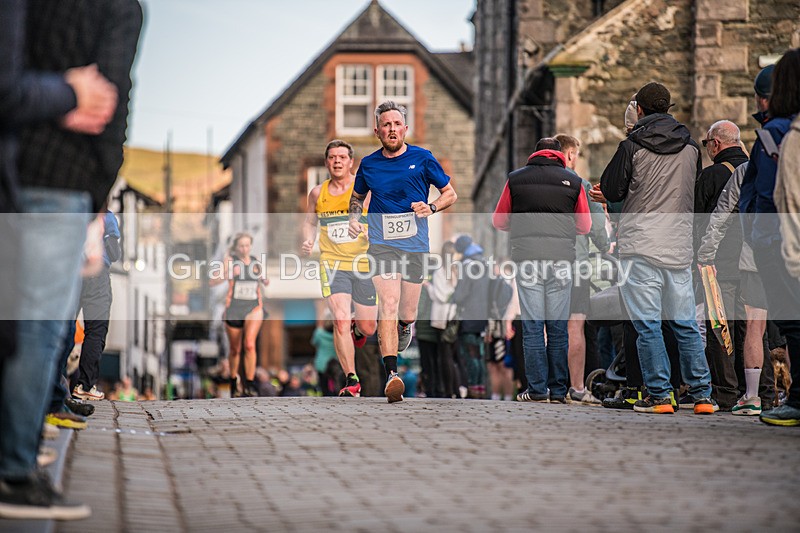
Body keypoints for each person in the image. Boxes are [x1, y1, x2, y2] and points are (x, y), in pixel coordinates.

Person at [0, 0, 139, 521]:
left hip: (13, 160)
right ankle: (15, 466)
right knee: (41, 326)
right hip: (61, 178)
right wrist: (100, 195)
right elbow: (114, 102)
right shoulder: (118, 8)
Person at [600, 82, 716, 415]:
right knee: (684, 323)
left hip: (640, 245)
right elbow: (692, 196)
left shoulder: (633, 144)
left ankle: (660, 395)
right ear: (668, 108)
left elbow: (612, 188)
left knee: (647, 324)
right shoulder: (692, 148)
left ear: (640, 110)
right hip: (678, 244)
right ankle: (703, 394)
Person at [348, 101, 457, 403]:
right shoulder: (369, 164)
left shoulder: (423, 159)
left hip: (415, 246)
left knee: (407, 313)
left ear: (405, 129)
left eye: (397, 124)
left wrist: (431, 206)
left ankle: (404, 328)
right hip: (381, 245)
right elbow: (356, 199)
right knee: (389, 302)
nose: (392, 129)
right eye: (386, 124)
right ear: (377, 131)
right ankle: (392, 375)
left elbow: (450, 194)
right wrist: (355, 219)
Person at [493, 137, 591, 404]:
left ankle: (537, 390)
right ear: (559, 155)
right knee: (558, 327)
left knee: (534, 326)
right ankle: (559, 390)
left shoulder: (515, 179)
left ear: (535, 154)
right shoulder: (574, 181)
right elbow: (584, 226)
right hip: (561, 261)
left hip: (527, 260)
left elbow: (499, 221)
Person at [740, 49, 800, 426]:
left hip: (778, 239)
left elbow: (765, 193)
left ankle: (797, 399)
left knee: (790, 323)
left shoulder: (776, 132)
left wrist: (757, 234)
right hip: (779, 235)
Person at [302, 139, 377, 397]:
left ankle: (359, 328)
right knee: (340, 319)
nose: (336, 161)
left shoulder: (363, 190)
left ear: (350, 162)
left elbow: (377, 222)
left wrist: (369, 234)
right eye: (332, 157)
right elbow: (309, 222)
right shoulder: (316, 193)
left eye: (341, 157)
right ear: (326, 163)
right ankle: (351, 379)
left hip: (363, 263)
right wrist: (308, 239)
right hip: (332, 264)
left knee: (369, 328)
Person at [694, 121, 749, 410]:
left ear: (715, 144)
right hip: (752, 262)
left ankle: (726, 393)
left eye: (707, 144)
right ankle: (754, 391)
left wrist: (700, 257)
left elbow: (700, 221)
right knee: (750, 330)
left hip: (719, 264)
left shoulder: (712, 174)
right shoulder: (754, 170)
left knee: (718, 327)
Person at [554, 133, 609, 405]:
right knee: (575, 326)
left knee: (550, 327)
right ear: (571, 155)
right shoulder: (581, 184)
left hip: (544, 264)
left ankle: (551, 386)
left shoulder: (537, 182)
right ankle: (576, 387)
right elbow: (597, 225)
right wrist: (604, 243)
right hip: (577, 263)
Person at [210, 233, 268, 397]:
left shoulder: (256, 261)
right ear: (236, 247)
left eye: (247, 245)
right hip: (234, 307)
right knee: (235, 349)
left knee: (249, 344)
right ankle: (234, 380)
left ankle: (249, 384)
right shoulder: (230, 261)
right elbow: (215, 280)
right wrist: (225, 274)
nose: (244, 249)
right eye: (241, 245)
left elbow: (263, 280)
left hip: (254, 306)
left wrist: (264, 280)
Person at [72, 209, 121, 401]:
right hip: (96, 274)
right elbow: (114, 253)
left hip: (71, 272)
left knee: (64, 325)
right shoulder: (106, 216)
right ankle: (85, 384)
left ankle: (54, 381)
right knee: (96, 330)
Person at [451, 235, 490, 398]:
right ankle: (480, 387)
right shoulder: (483, 262)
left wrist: (453, 298)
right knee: (479, 353)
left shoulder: (468, 264)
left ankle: (473, 386)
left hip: (468, 315)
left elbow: (461, 293)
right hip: (483, 315)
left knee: (470, 353)